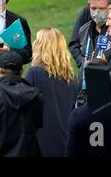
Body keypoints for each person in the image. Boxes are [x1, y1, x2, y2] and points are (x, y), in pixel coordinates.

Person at [25, 28, 78, 157]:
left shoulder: (35, 73)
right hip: (65, 143)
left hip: (41, 144)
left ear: (42, 46)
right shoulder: (71, 78)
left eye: (37, 40)